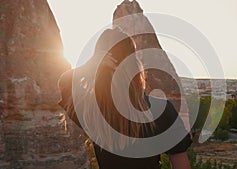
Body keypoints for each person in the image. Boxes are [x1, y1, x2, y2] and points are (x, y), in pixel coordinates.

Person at [58, 28, 192, 169]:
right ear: (134, 65)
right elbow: (181, 164)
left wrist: (89, 65)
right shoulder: (160, 110)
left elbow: (64, 82)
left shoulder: (91, 113)